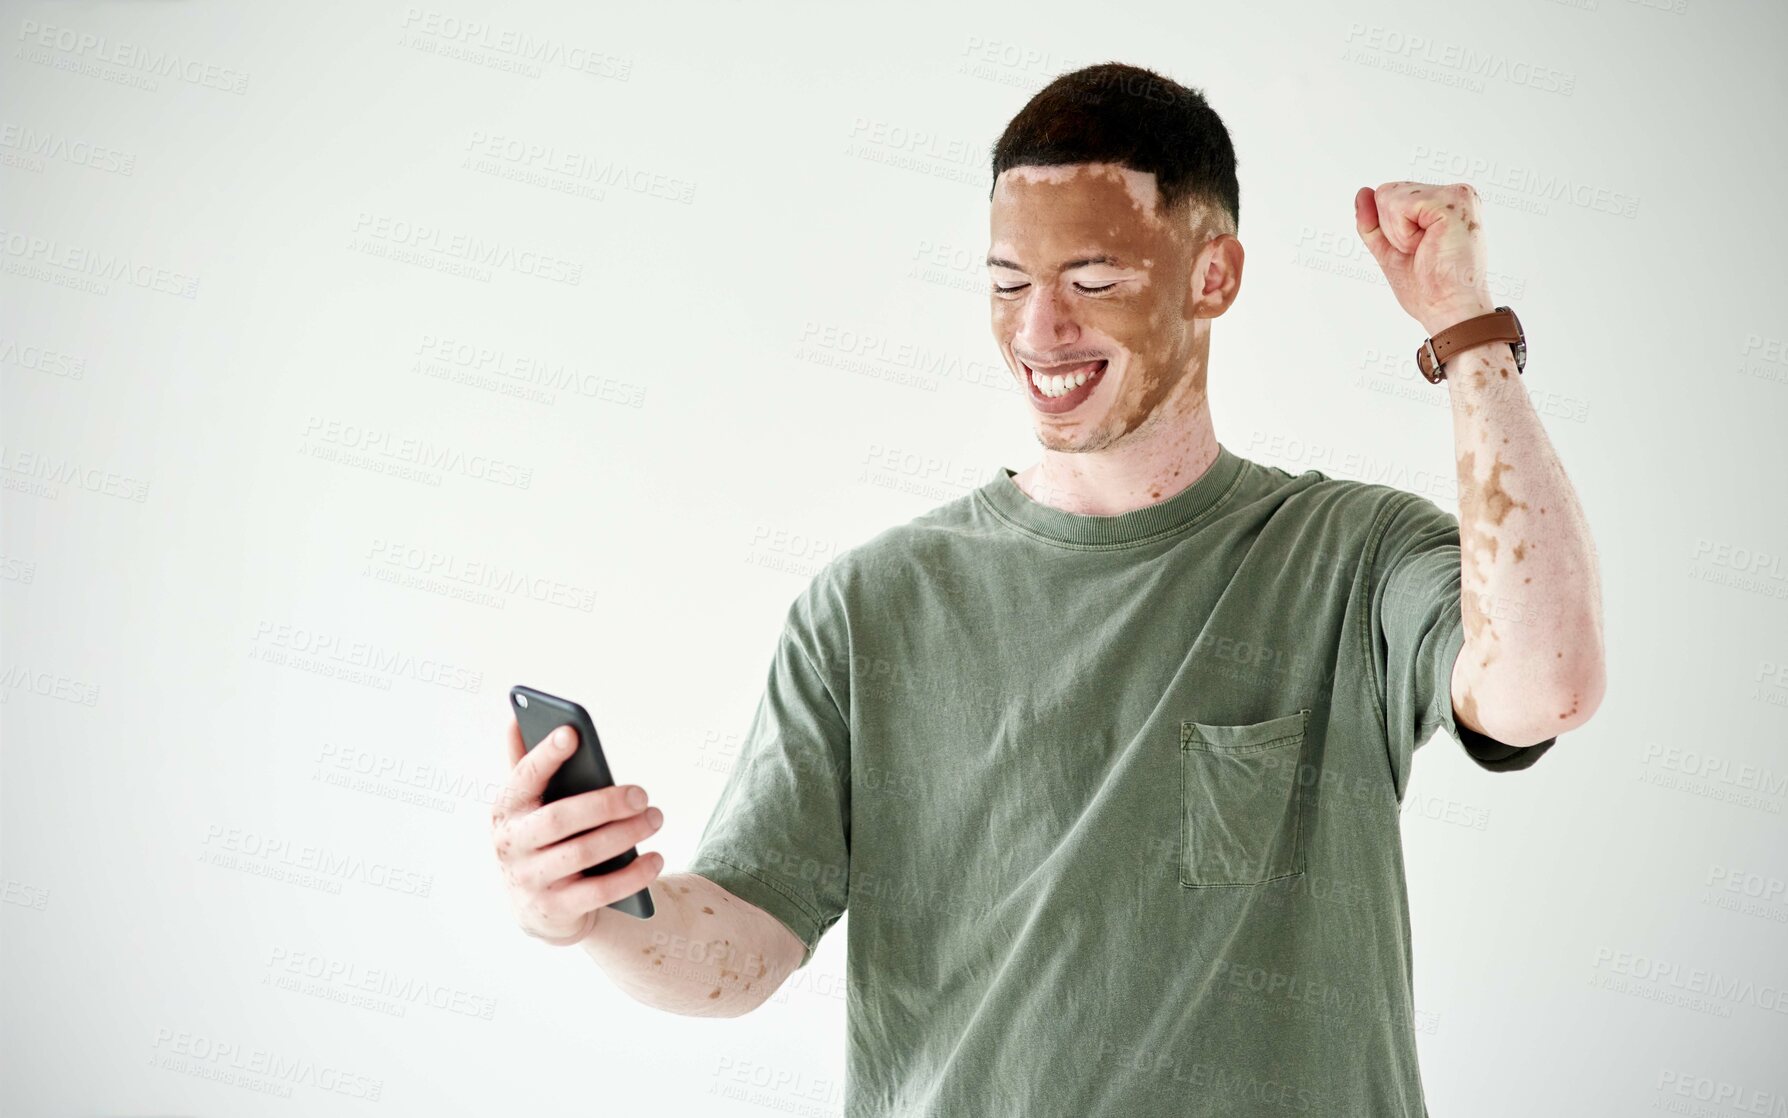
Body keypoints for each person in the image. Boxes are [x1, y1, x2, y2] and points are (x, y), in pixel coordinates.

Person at [489, 61, 1605, 1116]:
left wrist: (1467, 333)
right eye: (1009, 283)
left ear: (1212, 275)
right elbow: (738, 952)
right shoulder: (871, 606)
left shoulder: (1350, 556)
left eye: (1093, 280)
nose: (1039, 330)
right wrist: (588, 906)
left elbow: (1545, 683)